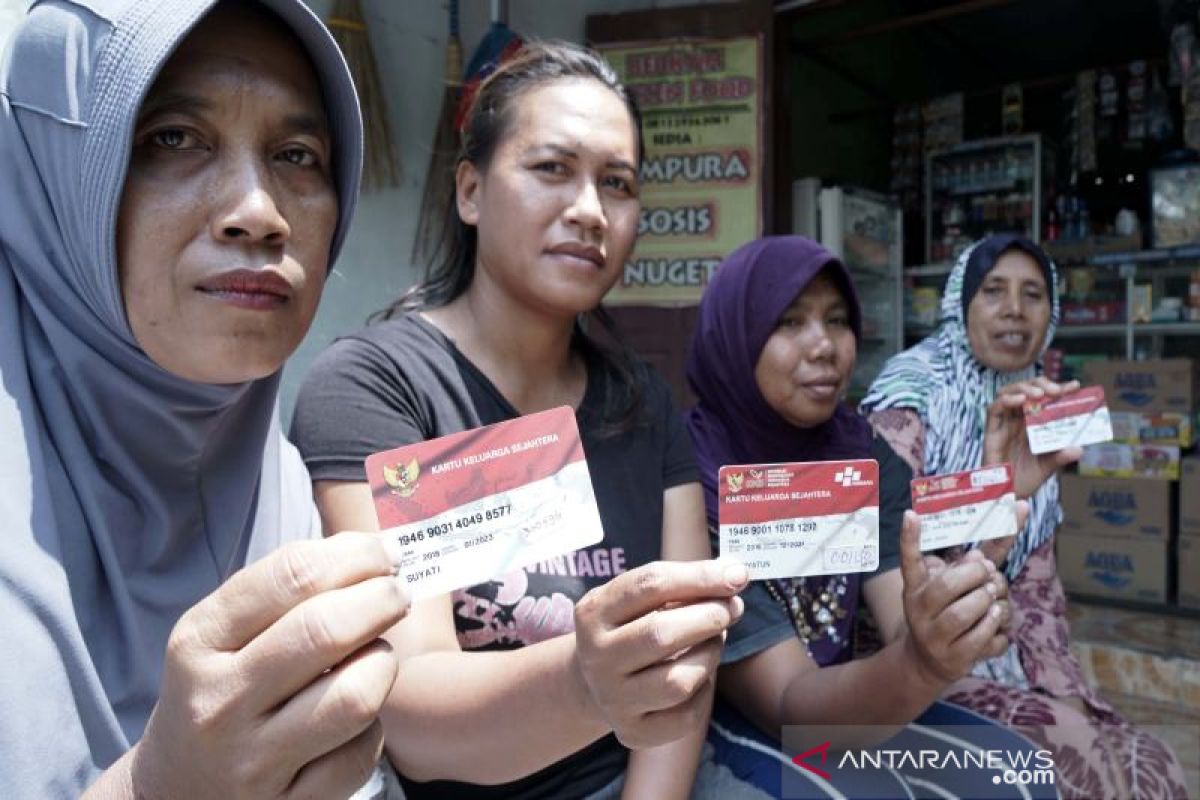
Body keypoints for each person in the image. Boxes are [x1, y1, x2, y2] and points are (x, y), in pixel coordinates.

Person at [291, 41, 759, 800]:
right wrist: (586, 679)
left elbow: (686, 667)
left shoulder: (645, 405)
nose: (588, 210)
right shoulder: (376, 389)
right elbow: (409, 718)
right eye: (551, 169)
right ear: (470, 191)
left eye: (618, 183)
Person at [0, 1, 418, 797]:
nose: (259, 214)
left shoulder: (278, 481)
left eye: (298, 154)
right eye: (173, 139)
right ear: (55, 177)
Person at [685, 236, 1055, 799]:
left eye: (837, 321)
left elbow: (907, 620)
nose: (824, 346)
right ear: (735, 338)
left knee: (1018, 774)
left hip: (845, 698)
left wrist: (952, 614)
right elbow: (789, 706)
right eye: (789, 323)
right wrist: (921, 662)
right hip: (728, 719)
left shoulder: (861, 454)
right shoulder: (697, 475)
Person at [860, 234, 1189, 799]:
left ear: (1052, 312)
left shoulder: (1037, 408)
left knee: (1147, 764)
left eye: (1033, 294)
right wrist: (990, 488)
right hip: (906, 660)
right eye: (994, 291)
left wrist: (1064, 696)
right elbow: (896, 563)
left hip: (1000, 650)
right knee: (1064, 759)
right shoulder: (907, 403)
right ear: (960, 305)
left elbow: (1037, 592)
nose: (1015, 309)